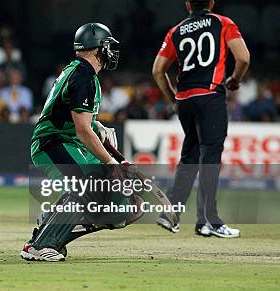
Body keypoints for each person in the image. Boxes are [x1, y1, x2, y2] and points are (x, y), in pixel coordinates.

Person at [21, 23, 141, 262]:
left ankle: (52, 222)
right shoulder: (83, 75)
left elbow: (68, 113)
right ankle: (41, 245)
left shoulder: (78, 71)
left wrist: (98, 125)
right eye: (108, 46)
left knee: (123, 206)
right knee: (87, 186)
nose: (112, 52)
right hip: (52, 143)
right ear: (97, 48)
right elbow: (82, 131)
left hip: (64, 140)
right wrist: (110, 162)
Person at [152, 0, 249, 238]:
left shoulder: (176, 31)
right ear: (212, 3)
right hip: (209, 95)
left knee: (191, 154)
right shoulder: (223, 23)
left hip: (185, 98)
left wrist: (174, 100)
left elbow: (157, 70)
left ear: (187, 5)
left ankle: (171, 213)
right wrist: (235, 80)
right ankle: (209, 221)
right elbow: (243, 58)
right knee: (210, 155)